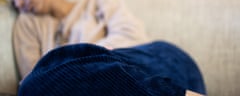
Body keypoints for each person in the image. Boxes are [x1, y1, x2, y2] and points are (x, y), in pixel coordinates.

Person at [2, 0, 148, 79]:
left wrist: (76, 63)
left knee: (162, 49)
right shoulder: (28, 22)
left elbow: (132, 35)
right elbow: (32, 77)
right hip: (76, 85)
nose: (19, 4)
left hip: (122, 71)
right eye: (14, 3)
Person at [18, 41, 206, 96]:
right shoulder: (30, 20)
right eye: (13, 0)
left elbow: (129, 31)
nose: (18, 2)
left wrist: (106, 49)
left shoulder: (97, 0)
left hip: (135, 57)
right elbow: (28, 67)